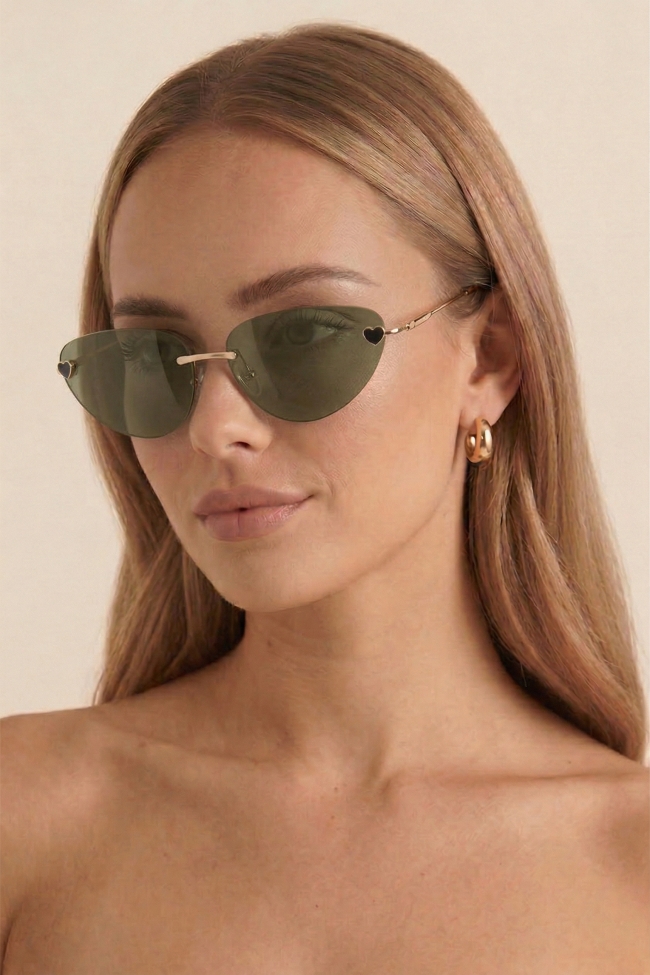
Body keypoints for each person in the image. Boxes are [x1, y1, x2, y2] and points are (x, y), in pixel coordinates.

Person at [1, 22, 648, 974]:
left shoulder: (630, 871)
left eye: (303, 338)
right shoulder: (24, 821)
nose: (216, 426)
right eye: (153, 358)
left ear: (490, 359)